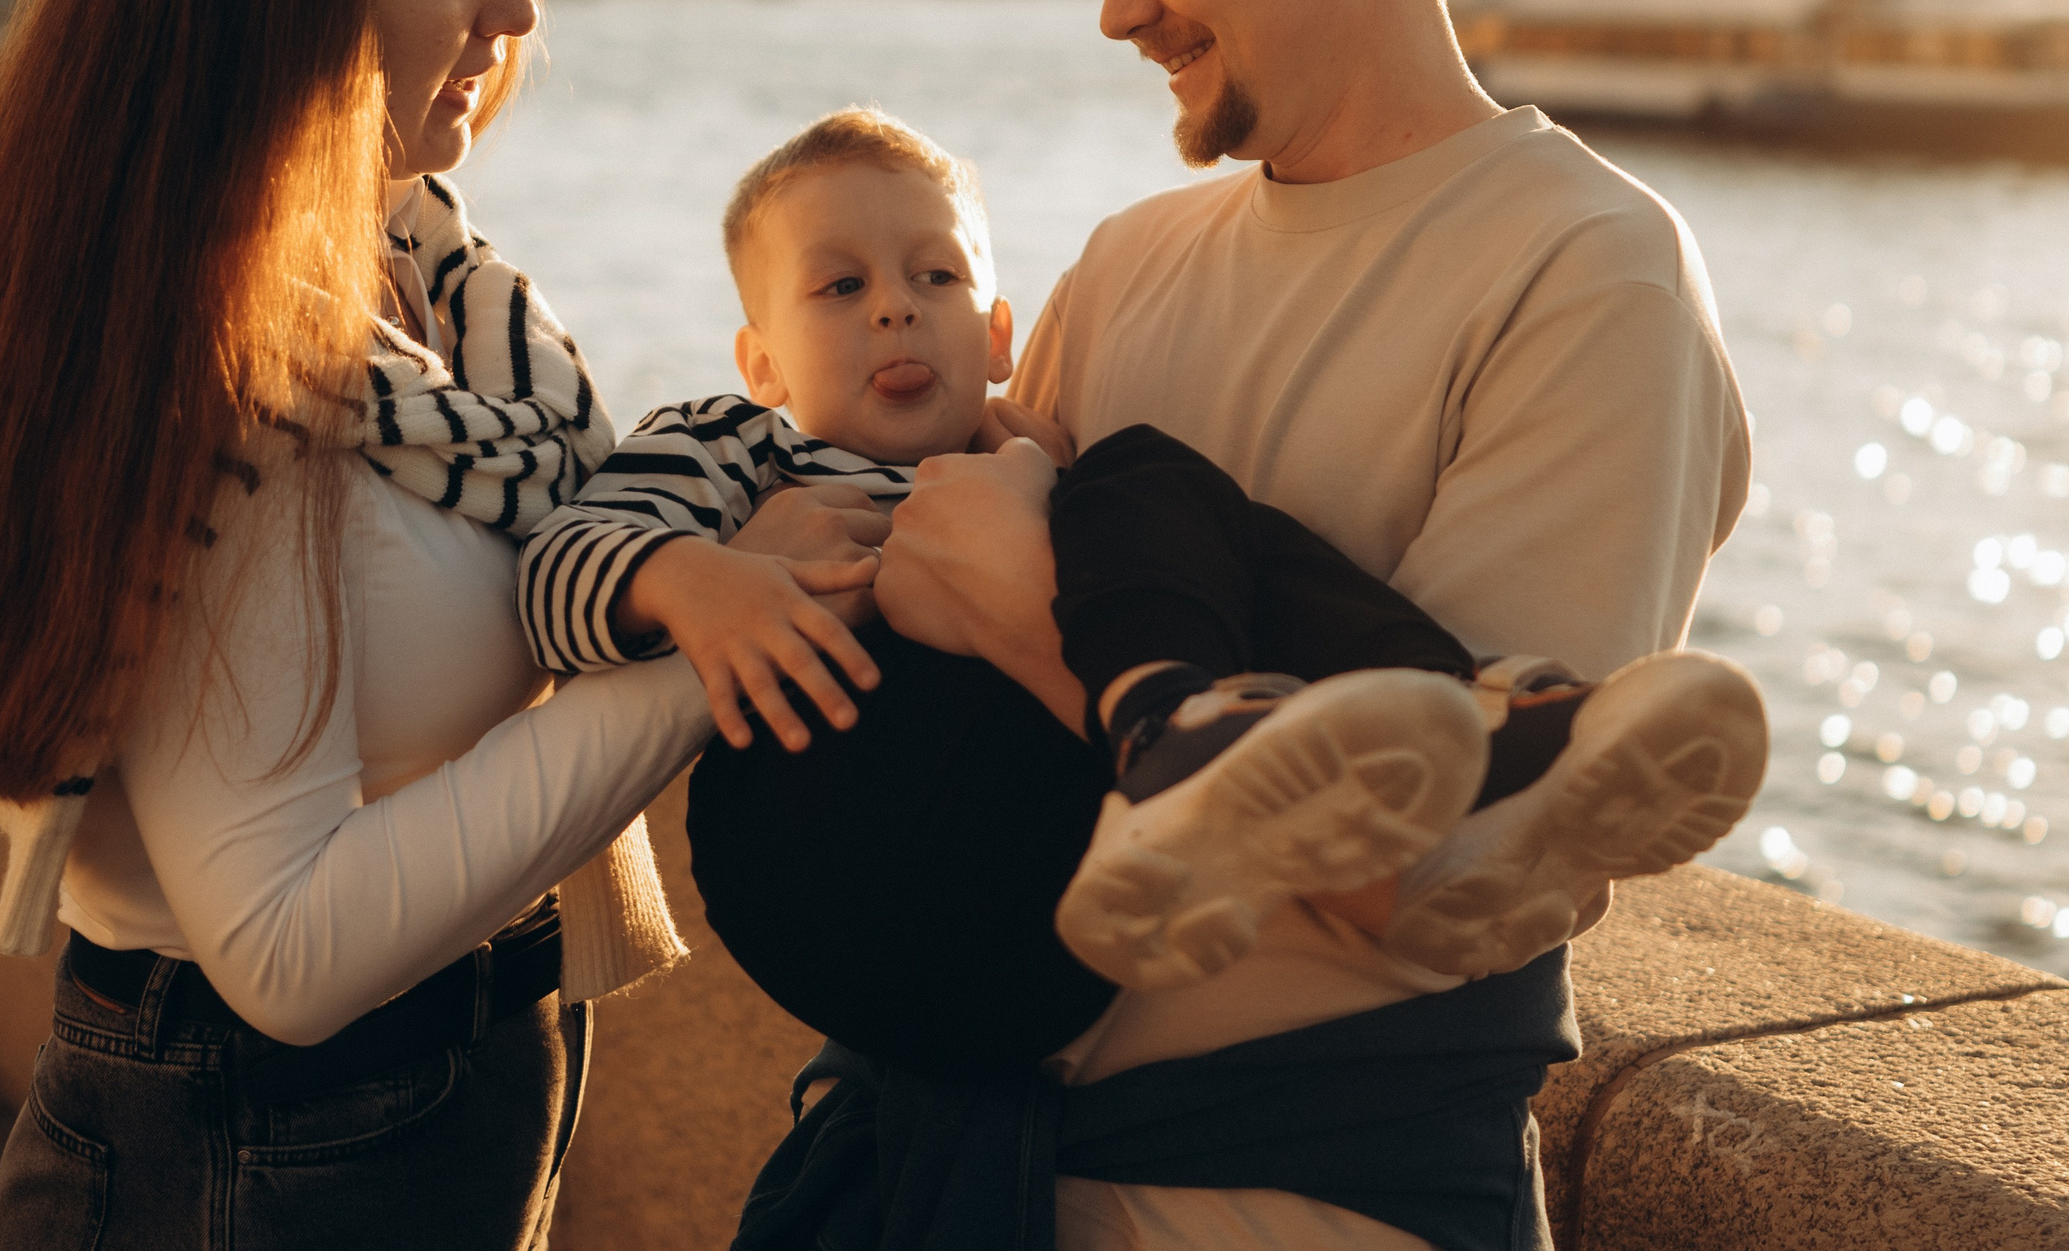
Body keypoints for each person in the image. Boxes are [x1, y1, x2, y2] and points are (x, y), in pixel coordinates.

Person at [0, 0, 881, 1251]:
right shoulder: (231, 373)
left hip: (393, 1108)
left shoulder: (417, 282)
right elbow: (290, 949)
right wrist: (726, 640)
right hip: (265, 1142)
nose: (516, 14)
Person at [727, 0, 1753, 1251]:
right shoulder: (1131, 258)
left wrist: (1023, 611)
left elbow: (1457, 865)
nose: (1121, 7)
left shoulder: (1585, 271)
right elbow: (940, 601)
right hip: (960, 1173)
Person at [523, 107, 1761, 1080]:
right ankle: (1175, 723)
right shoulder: (736, 443)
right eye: (838, 287)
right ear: (760, 359)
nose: (895, 303)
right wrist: (706, 581)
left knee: (1160, 494)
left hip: (1039, 934)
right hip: (825, 850)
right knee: (1133, 483)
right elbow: (556, 573)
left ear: (1001, 331)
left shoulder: (1035, 457)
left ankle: (1471, 711)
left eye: (935, 277)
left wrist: (1046, 486)